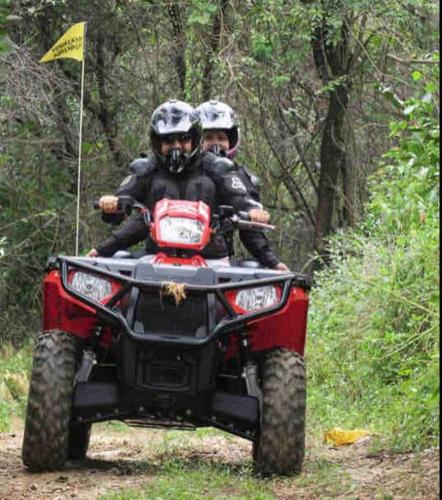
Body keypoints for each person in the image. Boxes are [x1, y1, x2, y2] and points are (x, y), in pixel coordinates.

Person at [88, 100, 270, 259]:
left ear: (194, 139)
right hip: (156, 258)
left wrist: (253, 211)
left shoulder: (218, 168)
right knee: (116, 267)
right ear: (157, 143)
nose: (176, 147)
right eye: (168, 141)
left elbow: (241, 199)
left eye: (183, 140)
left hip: (213, 261)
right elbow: (120, 206)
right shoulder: (145, 169)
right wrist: (110, 205)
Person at [195, 100, 289, 271]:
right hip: (170, 250)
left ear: (231, 141)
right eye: (208, 138)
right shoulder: (183, 170)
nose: (215, 144)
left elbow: (252, 231)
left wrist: (272, 261)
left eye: (221, 138)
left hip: (215, 257)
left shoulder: (242, 177)